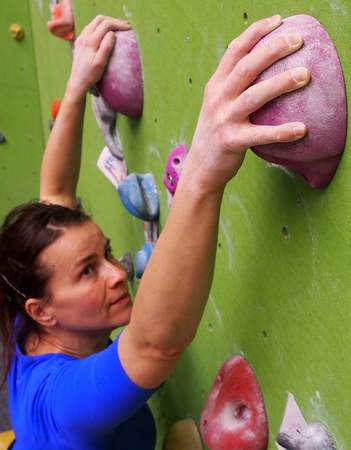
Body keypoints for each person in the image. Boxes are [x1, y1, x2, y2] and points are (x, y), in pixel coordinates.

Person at [0, 13, 310, 450]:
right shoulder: (61, 407)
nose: (116, 273)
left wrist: (77, 85)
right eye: (87, 271)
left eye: (105, 254)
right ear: (42, 311)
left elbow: (54, 195)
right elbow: (152, 347)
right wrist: (203, 168)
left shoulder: (24, 310)